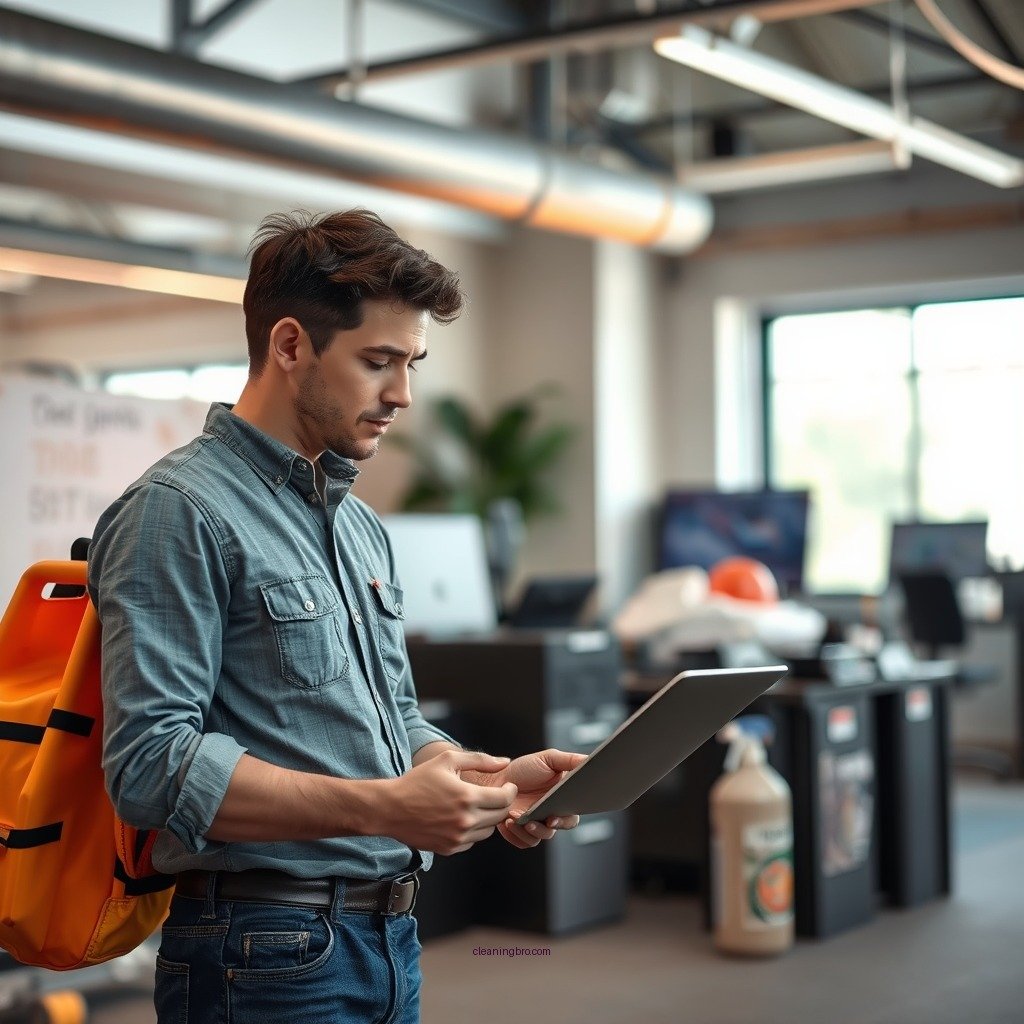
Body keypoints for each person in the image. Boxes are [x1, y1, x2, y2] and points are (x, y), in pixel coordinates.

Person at [87, 209, 586, 1024]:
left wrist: (486, 779)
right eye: (379, 361)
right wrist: (387, 807)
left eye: (412, 362)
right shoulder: (176, 512)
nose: (403, 395)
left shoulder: (359, 527)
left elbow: (390, 719)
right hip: (262, 950)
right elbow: (150, 766)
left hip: (385, 936)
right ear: (290, 346)